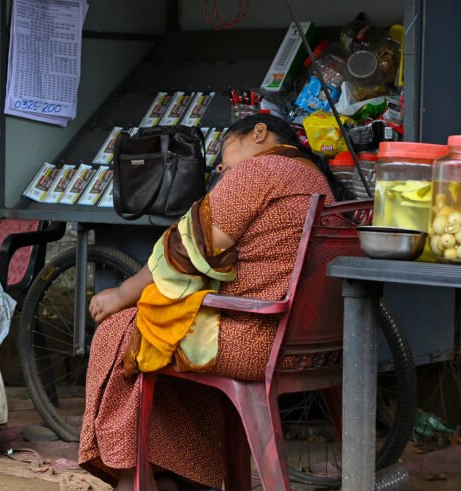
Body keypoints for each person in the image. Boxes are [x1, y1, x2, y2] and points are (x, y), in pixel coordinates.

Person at [79, 114, 345, 490]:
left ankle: (131, 477)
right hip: (302, 342)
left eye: (225, 149)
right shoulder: (313, 177)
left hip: (254, 340)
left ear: (259, 133)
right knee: (160, 338)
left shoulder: (262, 171)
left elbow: (189, 248)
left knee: (119, 331)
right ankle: (175, 478)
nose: (220, 165)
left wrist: (123, 294)